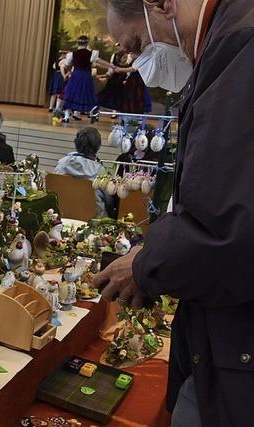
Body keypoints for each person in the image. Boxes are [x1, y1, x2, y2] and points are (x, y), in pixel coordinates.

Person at [93, 0, 254, 425]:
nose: (138, 59)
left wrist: (145, 265)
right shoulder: (228, 40)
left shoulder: (240, 45)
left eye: (136, 43)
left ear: (159, 5)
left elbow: (225, 227)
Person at [54, 127, 108, 217]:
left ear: (76, 143)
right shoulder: (100, 171)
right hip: (93, 221)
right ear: (98, 147)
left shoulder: (62, 163)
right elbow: (109, 201)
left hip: (62, 216)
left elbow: (53, 189)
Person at [62, 36, 113, 122]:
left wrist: (71, 70)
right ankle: (93, 114)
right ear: (87, 43)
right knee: (88, 94)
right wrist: (111, 66)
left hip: (76, 75)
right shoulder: (91, 53)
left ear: (78, 43)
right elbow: (98, 61)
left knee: (71, 93)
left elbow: (67, 65)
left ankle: (66, 116)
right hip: (86, 75)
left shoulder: (72, 54)